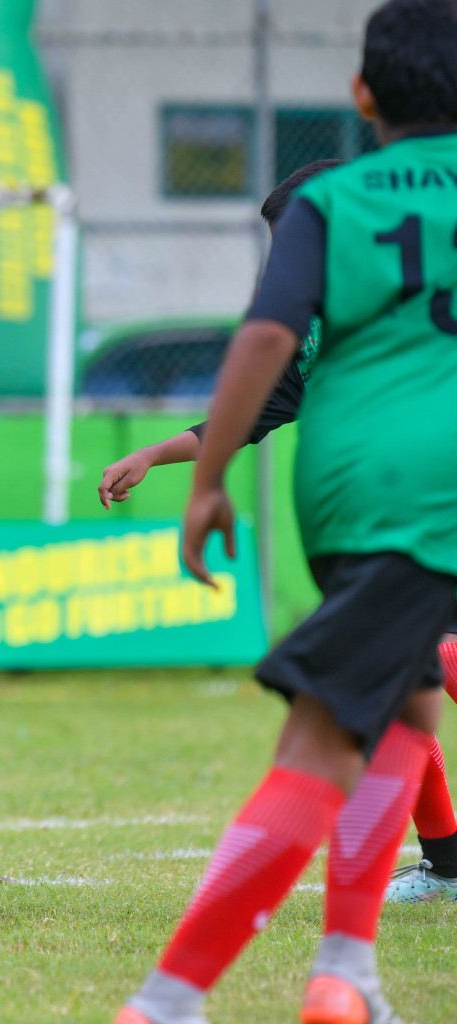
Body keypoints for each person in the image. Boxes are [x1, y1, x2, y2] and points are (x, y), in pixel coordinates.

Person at [117, 4, 457, 1022]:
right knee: (373, 713)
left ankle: (270, 984)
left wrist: (211, 474)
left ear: (362, 97)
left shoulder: (332, 199)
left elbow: (267, 338)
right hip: (429, 490)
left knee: (372, 716)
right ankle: (245, 987)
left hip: (369, 491)